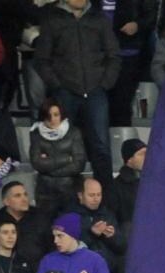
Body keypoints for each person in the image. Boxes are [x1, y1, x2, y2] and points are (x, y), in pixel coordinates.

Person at [33, 0, 119, 189]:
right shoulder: (52, 20)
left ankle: (106, 200)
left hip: (96, 92)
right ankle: (67, 196)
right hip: (65, 93)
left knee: (101, 148)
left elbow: (113, 55)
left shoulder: (100, 20)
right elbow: (41, 59)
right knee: (64, 148)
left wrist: (104, 84)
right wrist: (58, 86)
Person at [27, 98, 87, 214]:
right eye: (48, 115)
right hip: (45, 192)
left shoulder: (74, 132)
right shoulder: (36, 134)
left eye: (56, 115)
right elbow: (37, 163)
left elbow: (79, 164)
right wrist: (66, 159)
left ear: (62, 115)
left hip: (70, 189)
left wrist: (49, 168)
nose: (52, 119)